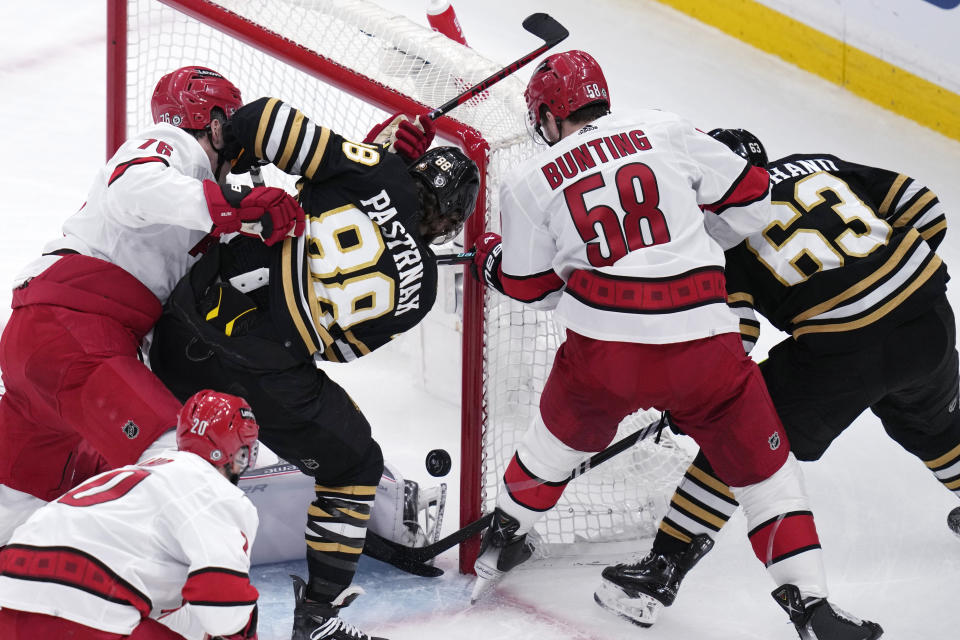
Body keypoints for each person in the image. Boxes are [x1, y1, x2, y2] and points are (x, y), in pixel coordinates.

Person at [467, 50, 882, 640]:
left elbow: (530, 289)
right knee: (767, 480)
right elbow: (754, 193)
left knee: (552, 448)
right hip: (705, 345)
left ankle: (503, 539)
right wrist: (703, 235)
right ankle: (811, 607)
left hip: (602, 355)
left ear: (551, 115)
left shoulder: (530, 182)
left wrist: (490, 262)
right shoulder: (663, 127)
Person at [147, 93, 479, 640]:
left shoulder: (378, 166)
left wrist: (363, 154)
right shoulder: (421, 291)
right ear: (448, 223)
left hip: (178, 330)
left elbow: (261, 120)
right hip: (265, 374)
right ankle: (319, 613)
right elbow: (339, 351)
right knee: (354, 466)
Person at [614, 128, 956, 631]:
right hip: (927, 319)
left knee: (737, 438)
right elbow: (925, 207)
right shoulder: (818, 162)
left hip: (841, 353)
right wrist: (885, 280)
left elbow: (736, 339)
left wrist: (695, 401)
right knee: (934, 426)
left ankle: (660, 570)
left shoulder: (719, 235)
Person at [0, 66, 306, 542]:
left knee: (24, 501)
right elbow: (134, 187)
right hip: (75, 334)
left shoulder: (198, 202)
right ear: (216, 122)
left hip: (49, 346)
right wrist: (232, 204)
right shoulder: (173, 146)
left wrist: (373, 164)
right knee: (181, 460)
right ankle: (201, 596)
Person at [0, 389, 261, 640]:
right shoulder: (217, 493)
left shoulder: (136, 473)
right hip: (88, 606)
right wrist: (242, 627)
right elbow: (222, 612)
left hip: (10, 596)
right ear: (240, 452)